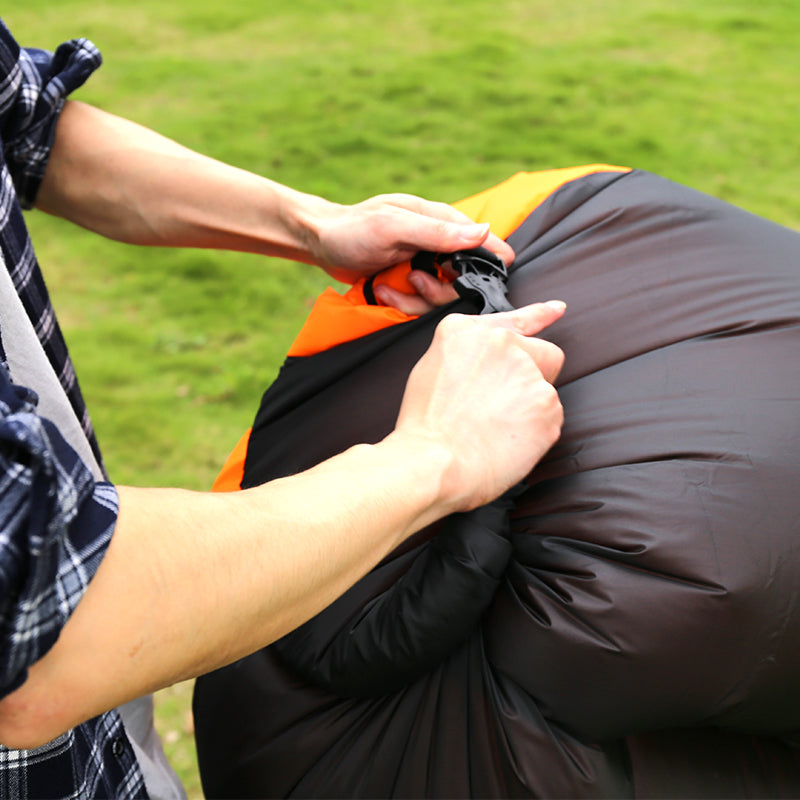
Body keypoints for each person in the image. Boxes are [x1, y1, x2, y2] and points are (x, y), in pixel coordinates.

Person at [0, 19, 565, 799]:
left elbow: (25, 123)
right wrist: (436, 453)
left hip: (100, 743)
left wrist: (312, 224)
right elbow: (40, 630)